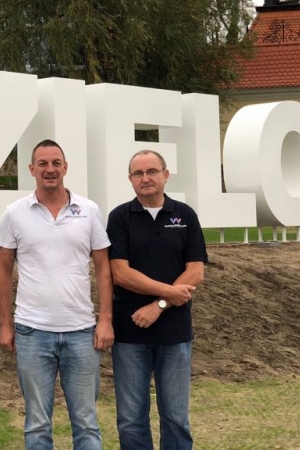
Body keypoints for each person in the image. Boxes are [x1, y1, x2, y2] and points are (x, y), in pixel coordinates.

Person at [0, 139, 114, 450]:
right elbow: (2, 272)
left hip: (82, 331)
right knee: (37, 423)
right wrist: (5, 324)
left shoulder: (89, 211)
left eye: (56, 163)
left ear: (65, 167)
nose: (50, 169)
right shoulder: (14, 214)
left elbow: (104, 269)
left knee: (86, 422)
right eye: (43, 164)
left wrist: (105, 320)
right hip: (32, 331)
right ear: (31, 169)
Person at [106, 149, 208, 450]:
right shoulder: (119, 217)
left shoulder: (185, 215)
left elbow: (195, 271)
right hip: (130, 333)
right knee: (131, 419)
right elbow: (120, 273)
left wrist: (159, 305)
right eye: (138, 173)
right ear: (130, 179)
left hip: (174, 332)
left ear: (165, 175)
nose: (145, 178)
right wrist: (169, 292)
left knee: (176, 417)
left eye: (152, 171)